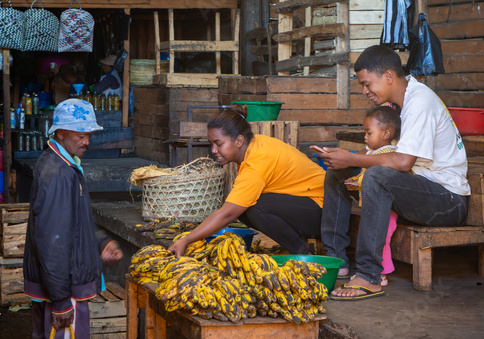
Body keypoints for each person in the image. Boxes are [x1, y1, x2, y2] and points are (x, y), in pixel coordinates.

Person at [313, 45, 469, 301]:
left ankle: (369, 275)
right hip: (420, 189)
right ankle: (336, 260)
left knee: (376, 176)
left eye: (366, 84)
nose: (364, 92)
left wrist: (352, 157)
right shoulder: (401, 104)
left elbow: (403, 162)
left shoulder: (420, 101)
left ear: (388, 77)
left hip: (448, 201)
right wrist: (345, 162)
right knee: (336, 174)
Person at [23, 99, 123, 339]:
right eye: (81, 135)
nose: (87, 141)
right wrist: (60, 301)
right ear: (60, 133)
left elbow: (71, 223)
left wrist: (99, 242)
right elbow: (52, 242)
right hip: (64, 289)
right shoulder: (58, 173)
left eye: (89, 135)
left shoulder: (61, 164)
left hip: (58, 282)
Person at [169, 106, 326, 257]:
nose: (213, 150)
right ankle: (298, 245)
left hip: (325, 211)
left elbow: (227, 214)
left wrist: (187, 240)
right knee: (244, 206)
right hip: (309, 206)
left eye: (219, 144)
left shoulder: (255, 163)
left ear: (239, 141)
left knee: (253, 207)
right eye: (211, 144)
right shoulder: (254, 145)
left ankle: (302, 253)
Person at [342, 106, 401, 287]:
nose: (365, 137)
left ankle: (381, 274)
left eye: (369, 133)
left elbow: (381, 177)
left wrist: (357, 182)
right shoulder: (375, 153)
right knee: (378, 238)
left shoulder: (388, 154)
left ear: (385, 134)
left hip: (388, 209)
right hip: (377, 205)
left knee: (380, 239)